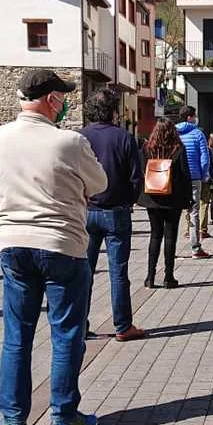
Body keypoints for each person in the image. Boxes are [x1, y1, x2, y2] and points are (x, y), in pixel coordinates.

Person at [0, 70, 107, 425]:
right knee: (67, 333)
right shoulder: (69, 142)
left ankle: (13, 420)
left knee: (17, 335)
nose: (65, 103)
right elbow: (100, 183)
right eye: (63, 97)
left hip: (14, 242)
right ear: (51, 99)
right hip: (61, 244)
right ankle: (63, 416)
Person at [80, 88, 146, 342]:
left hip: (87, 210)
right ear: (113, 112)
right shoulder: (124, 138)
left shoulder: (80, 137)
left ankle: (80, 324)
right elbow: (136, 177)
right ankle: (123, 325)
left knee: (83, 271)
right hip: (116, 210)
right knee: (118, 272)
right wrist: (128, 201)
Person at [138, 118, 194, 289]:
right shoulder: (178, 149)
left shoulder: (147, 148)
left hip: (153, 198)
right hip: (173, 199)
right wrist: (188, 199)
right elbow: (185, 175)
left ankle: (150, 277)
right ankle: (168, 277)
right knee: (170, 237)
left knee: (155, 235)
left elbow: (141, 171)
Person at [175, 106, 212, 259]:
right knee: (194, 211)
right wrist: (204, 175)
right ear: (190, 117)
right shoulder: (198, 134)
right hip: (194, 176)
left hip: (176, 177)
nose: (196, 118)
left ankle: (171, 249)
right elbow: (205, 158)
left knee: (174, 212)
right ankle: (196, 248)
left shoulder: (173, 132)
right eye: (194, 116)